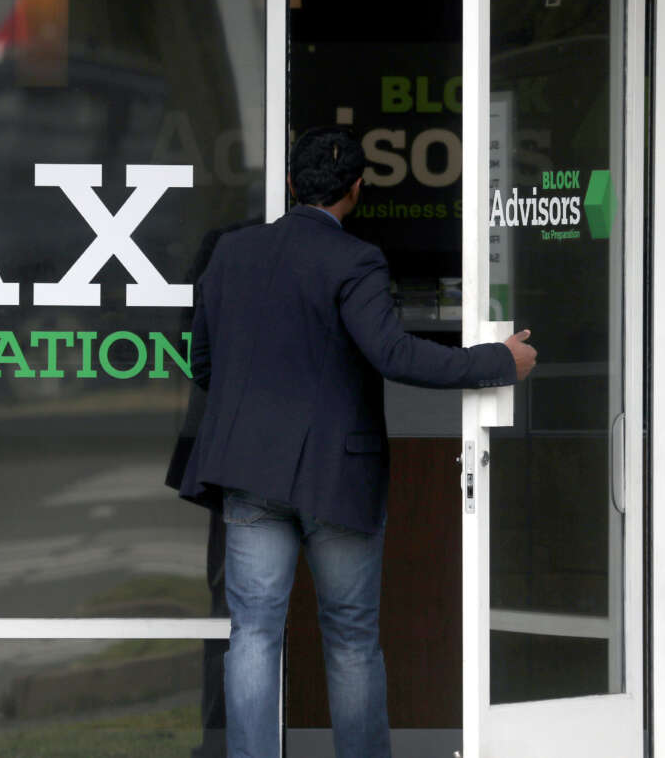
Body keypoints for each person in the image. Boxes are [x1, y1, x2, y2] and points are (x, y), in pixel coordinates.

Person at [177, 126, 537, 758]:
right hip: (336, 479)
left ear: (291, 183)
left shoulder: (230, 253)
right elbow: (394, 355)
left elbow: (202, 363)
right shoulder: (356, 260)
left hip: (251, 471)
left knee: (253, 635)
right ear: (357, 190)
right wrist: (497, 361)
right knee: (349, 639)